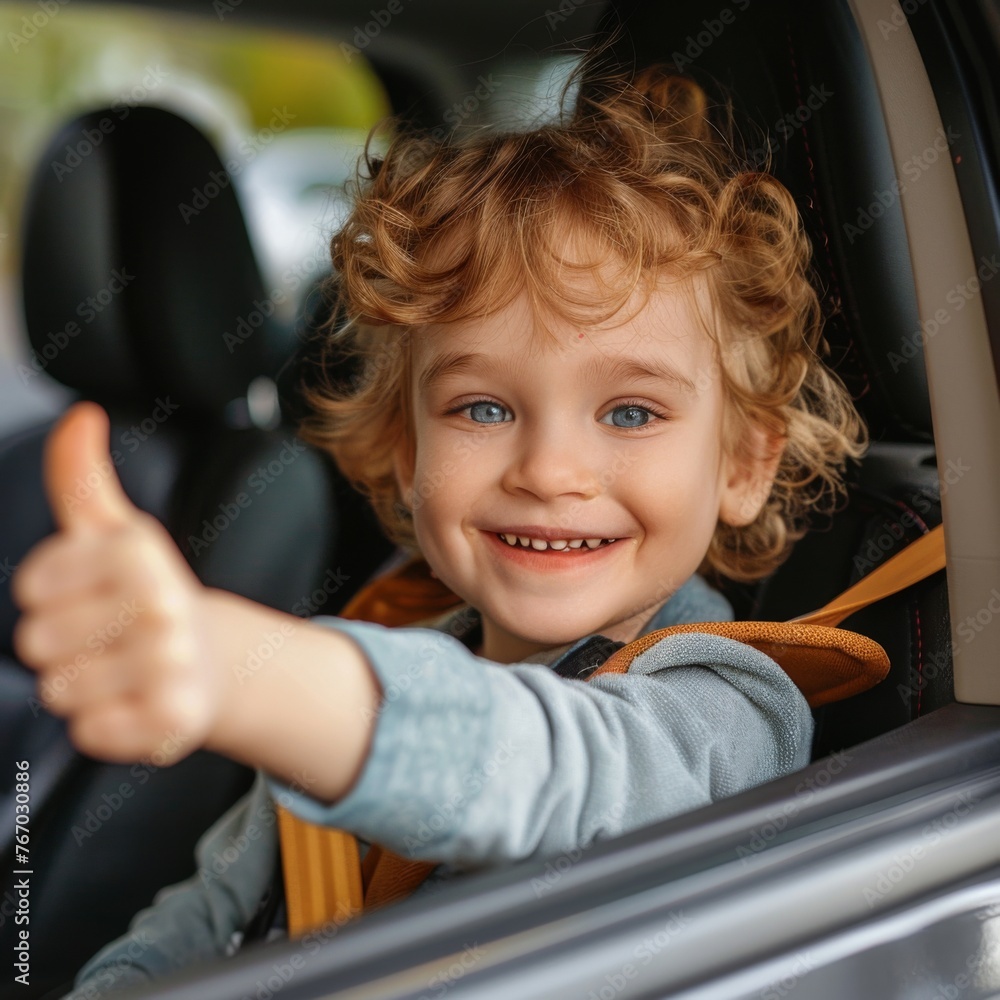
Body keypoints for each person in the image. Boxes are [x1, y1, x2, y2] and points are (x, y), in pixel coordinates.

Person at [13, 61, 865, 996]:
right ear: (407, 453)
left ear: (742, 464)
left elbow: (551, 774)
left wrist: (251, 673)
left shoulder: (724, 711)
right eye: (483, 409)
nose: (548, 472)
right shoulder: (386, 652)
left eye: (630, 413)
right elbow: (206, 918)